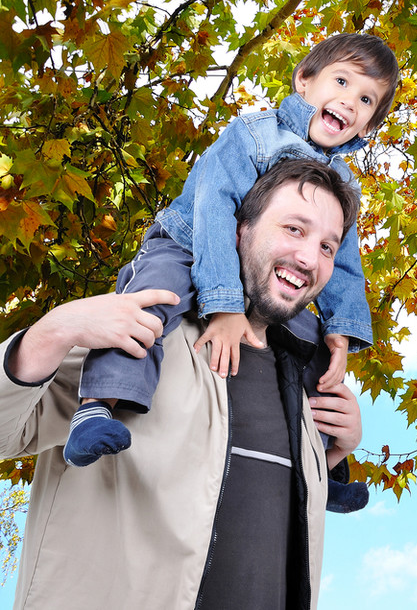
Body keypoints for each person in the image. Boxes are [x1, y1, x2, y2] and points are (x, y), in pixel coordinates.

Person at [0, 159, 366, 609]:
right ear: (237, 228)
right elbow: (6, 433)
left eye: (328, 247)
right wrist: (53, 331)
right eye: (294, 228)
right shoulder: (144, 336)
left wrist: (331, 454)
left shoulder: (303, 378)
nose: (310, 258)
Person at [64, 32, 399, 467]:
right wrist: (224, 307)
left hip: (253, 276)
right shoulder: (255, 134)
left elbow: (344, 259)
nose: (350, 101)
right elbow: (214, 207)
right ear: (304, 80)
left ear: (370, 124)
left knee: (314, 347)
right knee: (151, 301)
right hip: (188, 243)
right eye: (340, 82)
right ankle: (97, 406)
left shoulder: (343, 182)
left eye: (367, 99)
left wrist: (343, 325)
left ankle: (323, 461)